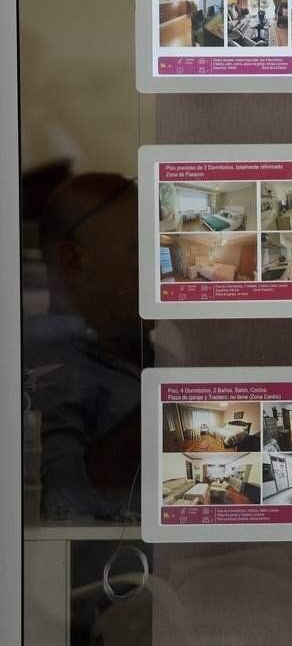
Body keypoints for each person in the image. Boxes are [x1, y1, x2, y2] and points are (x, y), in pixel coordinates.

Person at [25, 173, 147, 519]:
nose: (163, 265)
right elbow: (63, 503)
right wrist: (169, 405)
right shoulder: (44, 360)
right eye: (139, 248)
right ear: (74, 262)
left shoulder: (132, 346)